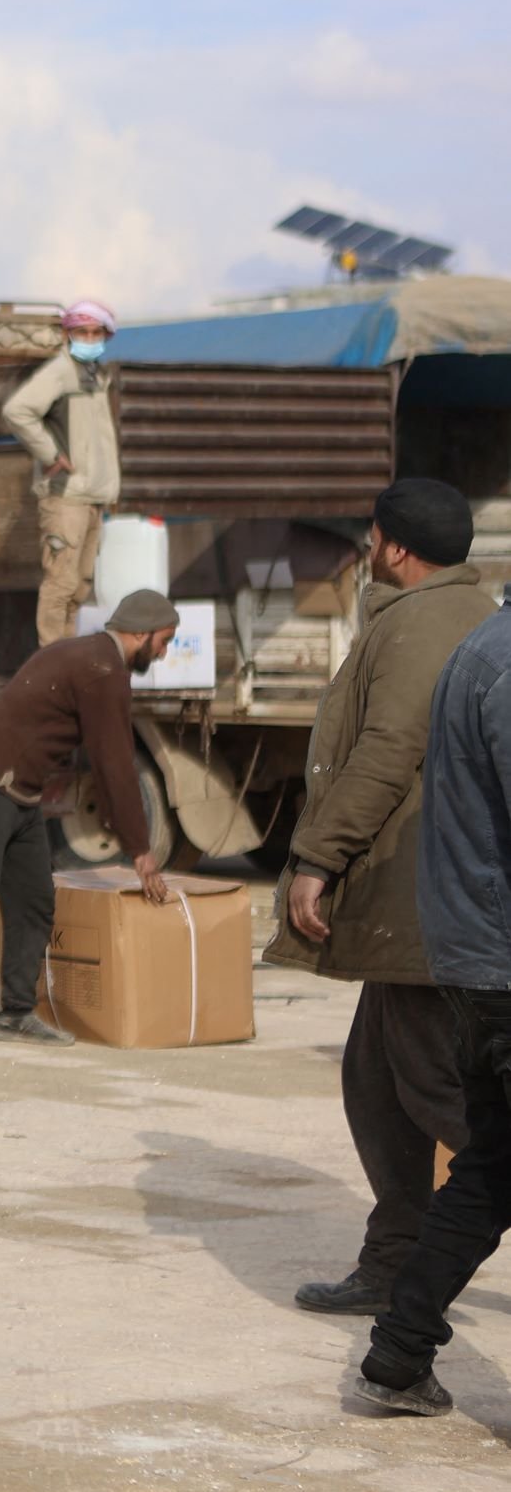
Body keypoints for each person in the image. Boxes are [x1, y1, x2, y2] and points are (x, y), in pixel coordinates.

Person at [271, 481, 491, 1317]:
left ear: (393, 547)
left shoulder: (414, 622)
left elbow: (390, 748)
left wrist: (315, 856)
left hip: (421, 895)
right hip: (435, 895)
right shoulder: (470, 611)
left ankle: (403, 1261)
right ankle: (394, 1257)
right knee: (375, 1079)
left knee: (443, 1092)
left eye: (372, 538)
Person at [354, 587, 511, 1417]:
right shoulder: (507, 661)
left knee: (491, 1168)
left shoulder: (486, 647)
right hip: (503, 961)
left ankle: (399, 1349)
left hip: (480, 959)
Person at [0, 589, 180, 1045]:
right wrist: (141, 850)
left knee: (34, 900)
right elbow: (115, 764)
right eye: (164, 641)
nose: (163, 652)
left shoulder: (90, 655)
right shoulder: (103, 669)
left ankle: (16, 1014)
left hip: (19, 789)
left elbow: (107, 761)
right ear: (141, 633)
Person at [5, 299, 121, 646]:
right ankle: (50, 658)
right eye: (81, 332)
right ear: (68, 335)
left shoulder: (95, 375)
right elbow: (17, 410)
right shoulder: (60, 371)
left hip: (91, 498)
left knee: (80, 585)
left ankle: (65, 654)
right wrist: (50, 453)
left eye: (95, 332)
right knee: (61, 583)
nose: (89, 338)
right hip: (66, 495)